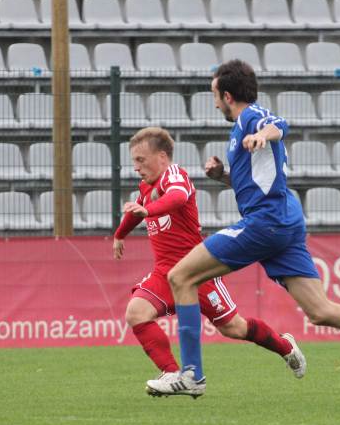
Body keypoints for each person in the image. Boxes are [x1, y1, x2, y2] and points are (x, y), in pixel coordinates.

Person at [145, 60, 340, 399]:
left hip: (265, 222)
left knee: (181, 277)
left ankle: (192, 374)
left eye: (214, 96)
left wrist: (260, 134)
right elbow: (256, 179)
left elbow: (279, 125)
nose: (214, 104)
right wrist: (223, 175)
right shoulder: (242, 128)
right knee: (320, 310)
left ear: (227, 95)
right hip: (283, 219)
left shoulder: (251, 117)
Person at [113, 126, 306, 397]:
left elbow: (178, 197)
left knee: (234, 328)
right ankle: (172, 373)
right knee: (136, 313)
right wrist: (120, 234)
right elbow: (137, 211)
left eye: (140, 160)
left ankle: (285, 347)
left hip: (196, 270)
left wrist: (148, 209)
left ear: (162, 157)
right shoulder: (147, 188)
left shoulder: (174, 176)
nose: (136, 167)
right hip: (165, 273)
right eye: (134, 161)